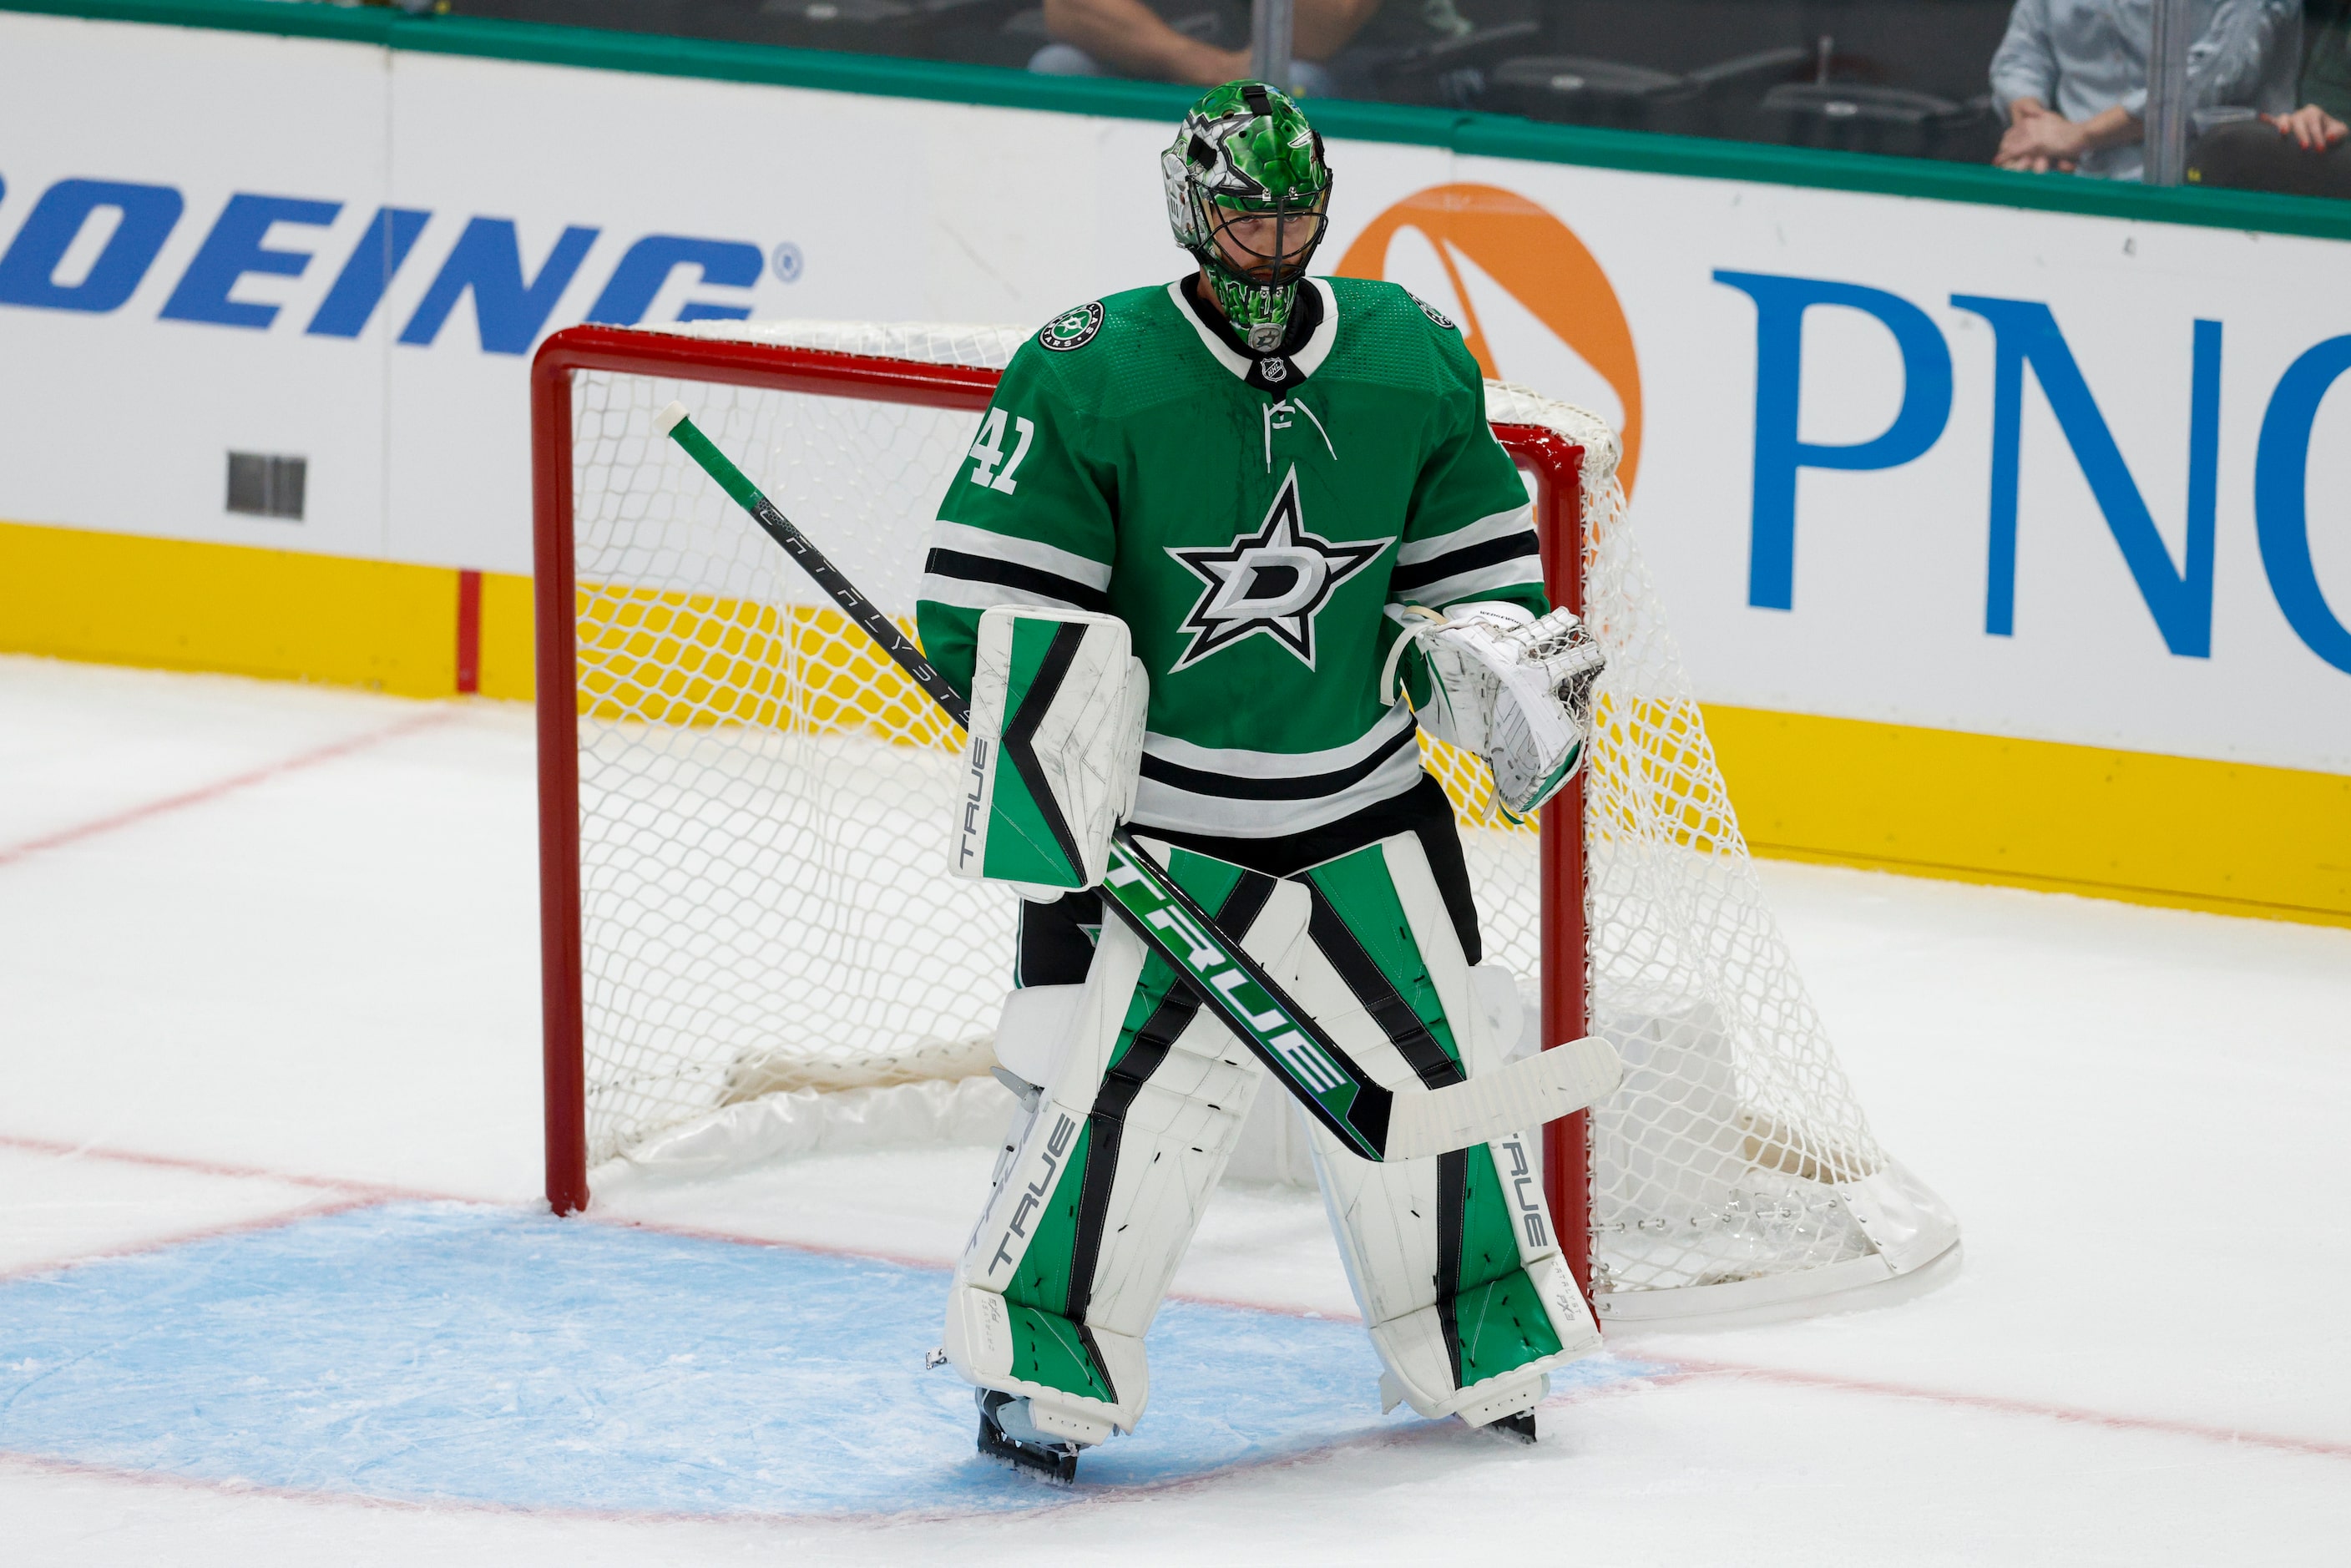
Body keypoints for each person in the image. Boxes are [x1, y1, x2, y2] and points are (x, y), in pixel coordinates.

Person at [914, 81, 1606, 1481]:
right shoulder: (1086, 365)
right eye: (1243, 213)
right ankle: (1035, 1364)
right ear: (1189, 205)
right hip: (1152, 830)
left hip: (1361, 808)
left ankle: (1481, 1333)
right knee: (1076, 1087)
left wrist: (1473, 665)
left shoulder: (1410, 350)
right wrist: (1058, 735)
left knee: (1438, 1074)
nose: (1272, 243)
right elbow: (978, 603)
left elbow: (1476, 580)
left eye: (1295, 212)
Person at [1990, 0, 2308, 179]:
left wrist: (2078, 137)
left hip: (2209, 189)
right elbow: (2022, 53)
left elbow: (2217, 76)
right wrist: (2033, 132)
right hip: (2070, 177)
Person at [1029, 0, 1481, 95]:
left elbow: (1320, 30)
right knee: (1060, 67)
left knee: (1288, 90)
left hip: (1411, 62)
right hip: (1220, 51)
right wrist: (1205, 65)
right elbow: (1070, 8)